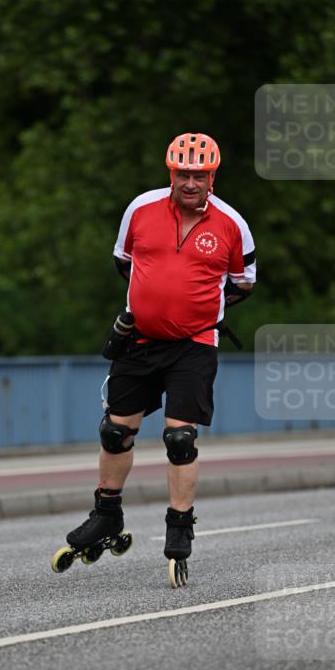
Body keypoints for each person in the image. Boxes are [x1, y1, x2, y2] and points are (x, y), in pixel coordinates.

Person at [63, 132, 256, 580]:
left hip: (195, 343)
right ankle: (107, 515)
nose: (190, 182)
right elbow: (123, 261)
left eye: (199, 175)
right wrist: (154, 298)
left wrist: (194, 304)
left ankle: (180, 526)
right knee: (115, 430)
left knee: (179, 438)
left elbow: (243, 281)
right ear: (171, 173)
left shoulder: (233, 223)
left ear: (213, 177)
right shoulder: (140, 208)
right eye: (182, 173)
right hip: (141, 340)